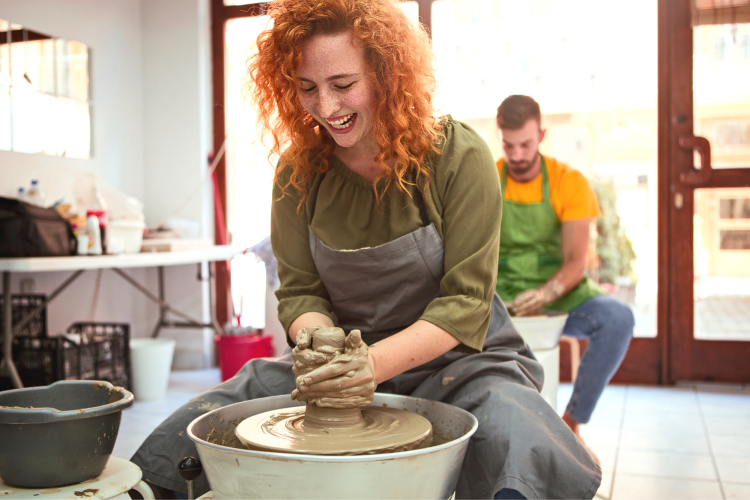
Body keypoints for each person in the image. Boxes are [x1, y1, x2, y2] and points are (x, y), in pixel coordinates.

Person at [131, 3, 600, 499]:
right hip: (338, 363)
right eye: (307, 88)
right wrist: (327, 359)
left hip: (460, 362)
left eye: (343, 84)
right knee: (196, 428)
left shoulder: (458, 157)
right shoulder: (298, 173)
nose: (326, 107)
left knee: (515, 438)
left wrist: (369, 368)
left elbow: (465, 302)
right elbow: (299, 292)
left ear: (386, 71)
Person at [494, 95, 634, 443]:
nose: (517, 155)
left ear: (541, 136)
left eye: (525, 144)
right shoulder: (487, 178)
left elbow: (575, 263)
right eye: (508, 145)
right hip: (501, 297)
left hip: (559, 294)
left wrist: (545, 294)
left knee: (618, 319)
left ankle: (569, 424)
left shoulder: (568, 182)